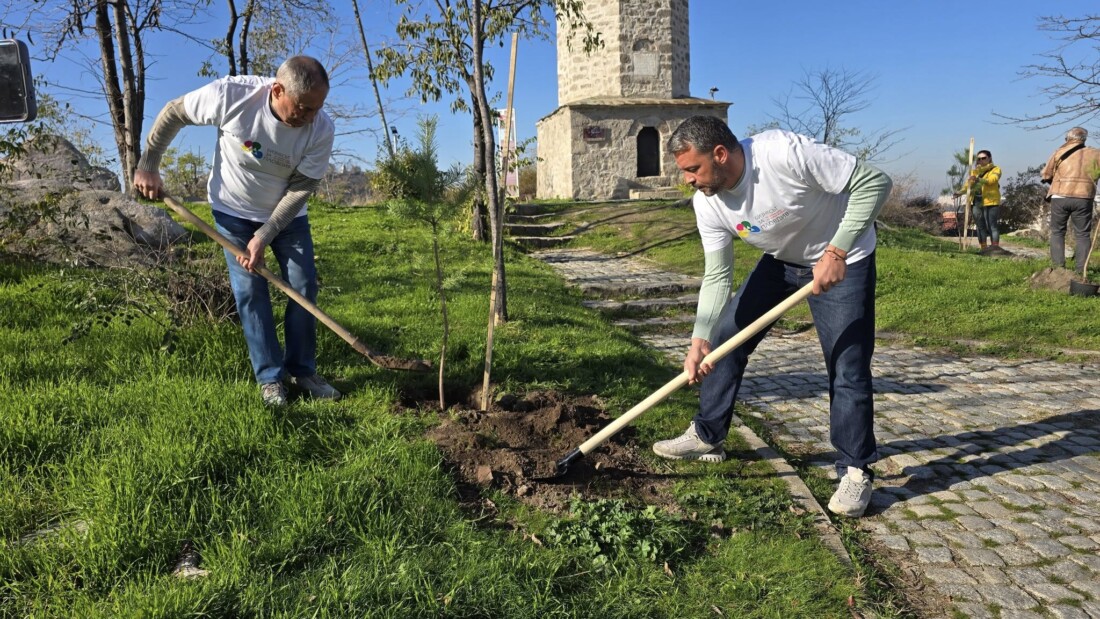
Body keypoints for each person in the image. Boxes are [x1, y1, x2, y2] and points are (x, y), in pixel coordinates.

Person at [652, 116, 892, 518]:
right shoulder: (707, 203)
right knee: (726, 341)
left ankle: (855, 469)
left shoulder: (783, 154)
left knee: (846, 364)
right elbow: (717, 275)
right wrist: (699, 340)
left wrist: (837, 251)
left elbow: (874, 182)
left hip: (844, 258)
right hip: (782, 262)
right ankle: (708, 435)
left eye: (692, 169)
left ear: (721, 154)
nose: (688, 180)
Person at [133, 56, 341, 407]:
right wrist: (149, 164)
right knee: (250, 290)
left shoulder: (321, 127)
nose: (310, 117)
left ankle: (302, 371)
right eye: (303, 108)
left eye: (316, 109)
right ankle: (271, 379)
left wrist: (266, 234)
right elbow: (174, 111)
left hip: (286, 215)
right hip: (233, 211)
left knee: (303, 284)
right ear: (277, 90)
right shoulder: (233, 95)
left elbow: (302, 187)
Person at [1041, 127, 1100, 274]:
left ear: (1068, 138)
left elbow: (1046, 175)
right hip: (1084, 197)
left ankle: (1059, 269)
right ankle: (1081, 271)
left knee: (1057, 232)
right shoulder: (1096, 154)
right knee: (1083, 234)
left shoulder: (1059, 152)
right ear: (1084, 139)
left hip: (1060, 196)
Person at [959, 150, 1003, 255]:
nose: (981, 160)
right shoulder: (974, 172)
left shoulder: (995, 169)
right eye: (979, 159)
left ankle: (995, 249)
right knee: (980, 226)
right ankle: (983, 249)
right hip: (977, 201)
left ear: (989, 158)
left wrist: (979, 180)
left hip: (990, 201)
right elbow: (967, 186)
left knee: (991, 225)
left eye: (984, 158)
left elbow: (992, 180)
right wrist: (959, 192)